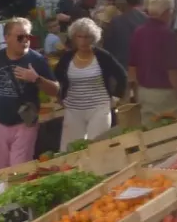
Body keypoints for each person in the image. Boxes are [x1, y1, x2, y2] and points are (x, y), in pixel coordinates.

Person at [0, 17, 58, 170]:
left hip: (24, 124)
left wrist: (36, 79)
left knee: (19, 170)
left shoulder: (37, 60)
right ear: (7, 38)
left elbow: (55, 90)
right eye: (20, 37)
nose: (25, 41)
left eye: (28, 36)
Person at [53, 17, 127, 148]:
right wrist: (60, 96)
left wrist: (116, 96)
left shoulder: (102, 56)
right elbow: (56, 77)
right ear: (74, 38)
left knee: (97, 146)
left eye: (87, 37)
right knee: (69, 148)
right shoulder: (67, 58)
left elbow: (122, 76)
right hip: (73, 109)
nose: (83, 41)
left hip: (99, 107)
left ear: (93, 38)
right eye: (79, 37)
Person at [128, 0, 177, 119]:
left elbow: (132, 66)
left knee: (150, 133)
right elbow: (173, 71)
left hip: (144, 92)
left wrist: (136, 91)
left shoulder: (138, 32)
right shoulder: (168, 35)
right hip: (165, 94)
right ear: (167, 12)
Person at [104, 0, 146, 68]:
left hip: (121, 68)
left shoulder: (115, 21)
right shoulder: (149, 21)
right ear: (143, 1)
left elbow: (107, 46)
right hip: (143, 68)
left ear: (126, 0)